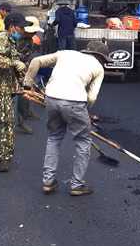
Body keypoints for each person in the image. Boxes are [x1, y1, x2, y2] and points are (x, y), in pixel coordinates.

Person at [23, 40, 108, 196]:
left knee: (54, 137)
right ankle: (77, 185)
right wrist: (83, 112)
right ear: (99, 56)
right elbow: (91, 97)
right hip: (76, 103)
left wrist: (27, 86)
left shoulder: (65, 54)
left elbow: (36, 61)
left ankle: (48, 181)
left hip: (51, 98)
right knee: (83, 142)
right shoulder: (98, 68)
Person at [0, 11, 32, 172]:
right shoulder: (1, 40)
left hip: (1, 87)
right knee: (5, 125)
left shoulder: (9, 40)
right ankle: (3, 160)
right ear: (12, 27)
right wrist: (15, 63)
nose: (23, 31)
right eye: (21, 28)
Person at [14, 15, 45, 133]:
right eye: (34, 31)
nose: (35, 33)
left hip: (22, 68)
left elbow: (28, 56)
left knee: (26, 90)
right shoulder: (15, 39)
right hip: (9, 68)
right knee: (17, 93)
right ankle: (21, 121)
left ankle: (25, 115)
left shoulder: (30, 41)